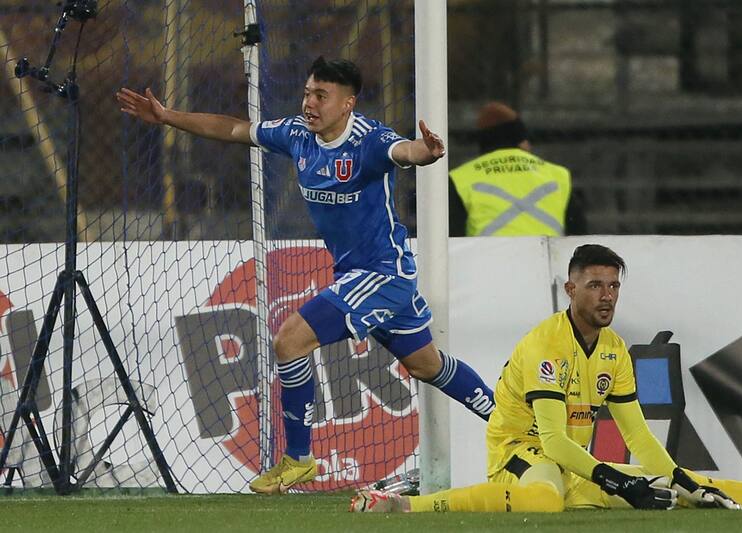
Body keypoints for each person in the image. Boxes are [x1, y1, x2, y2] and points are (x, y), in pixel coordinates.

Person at [116, 57, 496, 495]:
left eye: (321, 95)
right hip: (360, 273)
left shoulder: (369, 141)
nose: (309, 103)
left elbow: (403, 151)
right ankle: (514, 421)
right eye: (307, 92)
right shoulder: (297, 134)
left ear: (347, 103)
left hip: (382, 274)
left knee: (290, 340)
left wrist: (425, 152)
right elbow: (235, 129)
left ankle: (298, 459)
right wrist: (167, 117)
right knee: (427, 365)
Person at [351, 244, 742, 513]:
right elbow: (551, 438)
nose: (607, 297)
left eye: (614, 287)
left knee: (684, 489)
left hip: (574, 464)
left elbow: (639, 436)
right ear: (570, 289)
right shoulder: (545, 344)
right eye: (595, 286)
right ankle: (408, 505)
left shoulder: (614, 350)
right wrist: (617, 481)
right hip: (519, 453)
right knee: (546, 500)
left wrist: (683, 480)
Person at [449, 102, 586, 237]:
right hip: (547, 257)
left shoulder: (460, 179)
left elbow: (452, 238)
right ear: (523, 142)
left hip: (487, 258)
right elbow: (580, 235)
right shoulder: (557, 175)